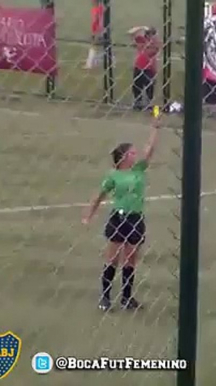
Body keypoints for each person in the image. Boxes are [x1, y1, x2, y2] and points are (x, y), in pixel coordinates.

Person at [82, 111, 161, 311]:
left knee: (131, 258)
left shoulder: (138, 170)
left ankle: (127, 298)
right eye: (132, 153)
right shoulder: (114, 175)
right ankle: (105, 297)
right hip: (119, 218)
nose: (137, 155)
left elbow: (149, 149)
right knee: (112, 257)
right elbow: (99, 195)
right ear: (124, 157)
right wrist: (89, 214)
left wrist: (155, 127)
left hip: (135, 218)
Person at [128, 26, 160, 111]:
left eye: (152, 34)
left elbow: (153, 51)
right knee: (136, 86)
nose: (150, 36)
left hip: (149, 69)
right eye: (149, 33)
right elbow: (130, 33)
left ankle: (149, 105)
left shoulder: (155, 43)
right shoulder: (141, 40)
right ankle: (138, 103)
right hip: (138, 67)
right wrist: (141, 28)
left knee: (149, 88)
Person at [84, 0, 104, 70]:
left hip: (97, 30)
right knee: (100, 46)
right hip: (100, 30)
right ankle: (95, 62)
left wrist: (94, 32)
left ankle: (89, 64)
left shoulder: (96, 9)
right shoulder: (101, 8)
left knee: (93, 46)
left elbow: (96, 20)